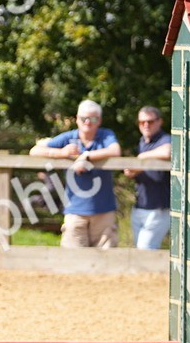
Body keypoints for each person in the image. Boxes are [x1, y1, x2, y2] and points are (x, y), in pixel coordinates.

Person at [30, 100, 122, 248]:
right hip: (75, 210)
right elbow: (34, 151)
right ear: (77, 119)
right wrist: (61, 152)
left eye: (92, 119)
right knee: (71, 261)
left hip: (104, 211)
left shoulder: (105, 136)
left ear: (99, 120)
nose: (87, 122)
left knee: (106, 262)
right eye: (83, 118)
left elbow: (115, 151)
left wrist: (86, 156)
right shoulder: (69, 137)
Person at [124, 106, 172, 249]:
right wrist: (133, 171)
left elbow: (168, 151)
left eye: (150, 121)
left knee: (146, 249)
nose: (146, 125)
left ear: (159, 122)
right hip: (140, 205)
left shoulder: (165, 139)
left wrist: (141, 158)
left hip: (159, 208)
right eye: (142, 122)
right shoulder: (142, 142)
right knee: (140, 251)